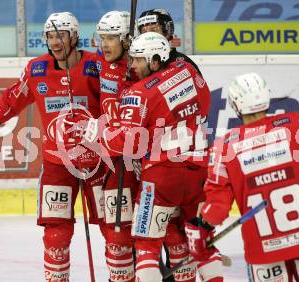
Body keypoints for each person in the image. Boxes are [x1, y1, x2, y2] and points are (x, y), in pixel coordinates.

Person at [0, 12, 104, 282]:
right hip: (57, 164)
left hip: (100, 162)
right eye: (50, 36)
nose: (55, 42)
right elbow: (11, 101)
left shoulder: (97, 65)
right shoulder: (37, 69)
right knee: (55, 235)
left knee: (116, 231)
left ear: (74, 37)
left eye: (61, 35)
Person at [72, 31, 226, 282]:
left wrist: (95, 132)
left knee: (146, 246)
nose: (132, 66)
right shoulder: (188, 72)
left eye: (138, 60)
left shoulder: (140, 92)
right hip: (198, 171)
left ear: (155, 60)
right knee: (201, 242)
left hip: (162, 177)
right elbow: (205, 103)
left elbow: (127, 143)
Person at [185, 72, 299, 282]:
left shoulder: (224, 148)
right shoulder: (297, 124)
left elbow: (217, 208)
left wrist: (202, 227)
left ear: (236, 105)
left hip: (264, 251)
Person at [94, 10, 139, 282]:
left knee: (149, 231)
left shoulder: (140, 66)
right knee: (115, 230)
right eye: (102, 38)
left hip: (141, 160)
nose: (105, 45)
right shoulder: (99, 61)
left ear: (126, 39)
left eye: (111, 38)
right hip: (113, 159)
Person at [137, 8, 202, 75]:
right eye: (144, 32)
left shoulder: (183, 63)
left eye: (153, 30)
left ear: (168, 32)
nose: (148, 36)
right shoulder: (139, 64)